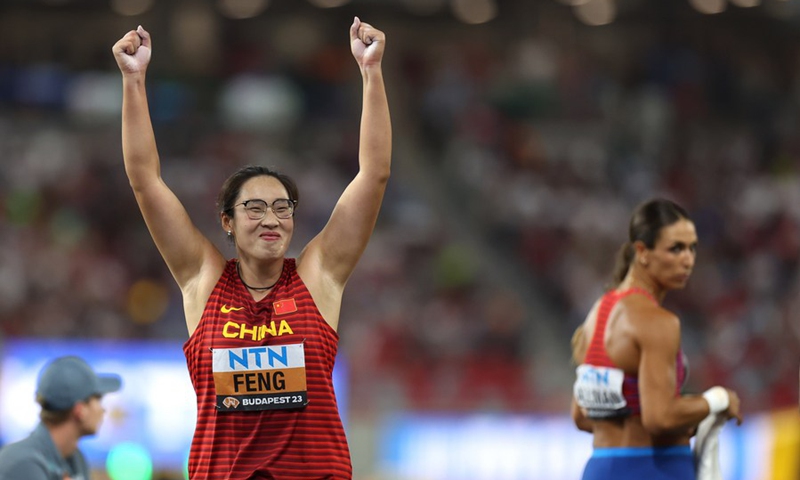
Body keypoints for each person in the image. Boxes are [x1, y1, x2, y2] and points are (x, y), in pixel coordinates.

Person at [112, 16, 390, 480]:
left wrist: (372, 72)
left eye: (282, 208)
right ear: (228, 221)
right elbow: (145, 180)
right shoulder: (203, 281)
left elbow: (374, 174)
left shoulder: (318, 277)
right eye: (254, 208)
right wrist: (134, 80)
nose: (271, 219)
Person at [570, 198, 743, 480]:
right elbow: (660, 418)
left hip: (600, 468)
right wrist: (717, 400)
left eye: (692, 248)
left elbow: (581, 416)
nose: (688, 260)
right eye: (676, 248)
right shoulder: (658, 321)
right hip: (654, 469)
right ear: (642, 251)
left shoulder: (596, 314)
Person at [0, 356, 122, 480]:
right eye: (98, 399)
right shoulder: (23, 463)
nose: (103, 409)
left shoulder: (75, 459)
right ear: (80, 411)